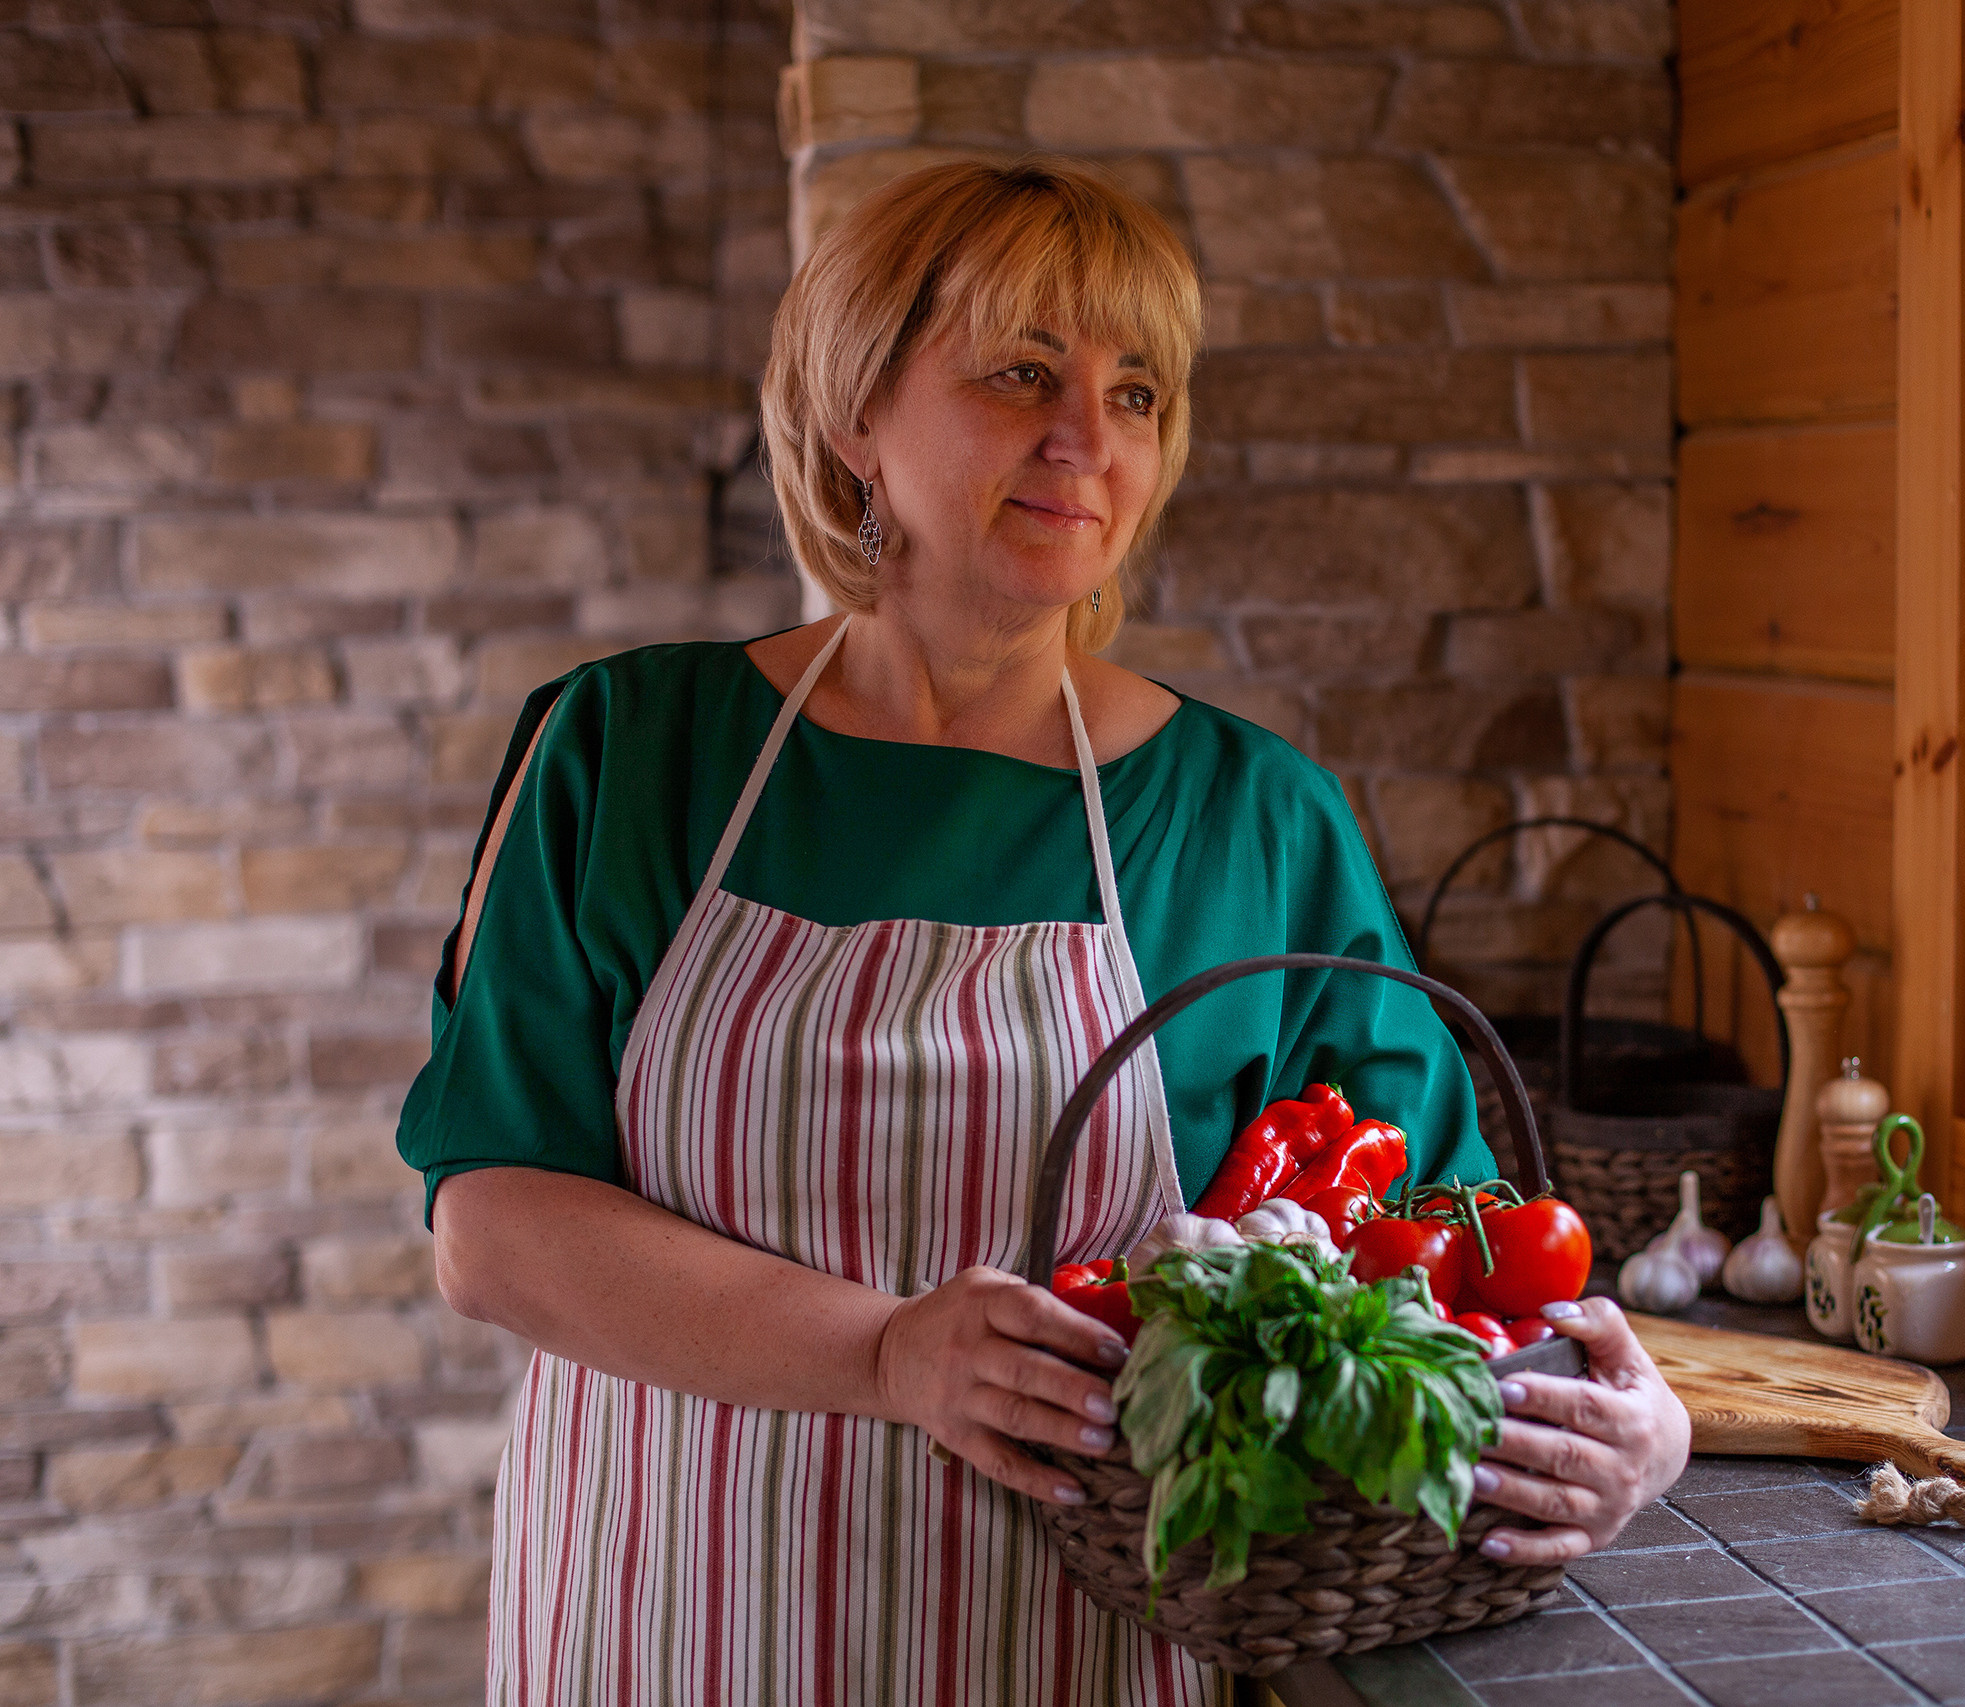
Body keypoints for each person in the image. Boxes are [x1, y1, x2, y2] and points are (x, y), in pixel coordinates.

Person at [397, 158, 1690, 1705]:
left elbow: (1461, 1271)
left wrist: (1627, 1427)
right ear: (854, 415)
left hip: (1085, 1648)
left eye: (1137, 394)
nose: (1089, 440)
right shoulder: (627, 754)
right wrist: (885, 1352)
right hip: (665, 1616)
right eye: (1024, 374)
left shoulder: (1250, 817)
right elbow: (492, 1229)